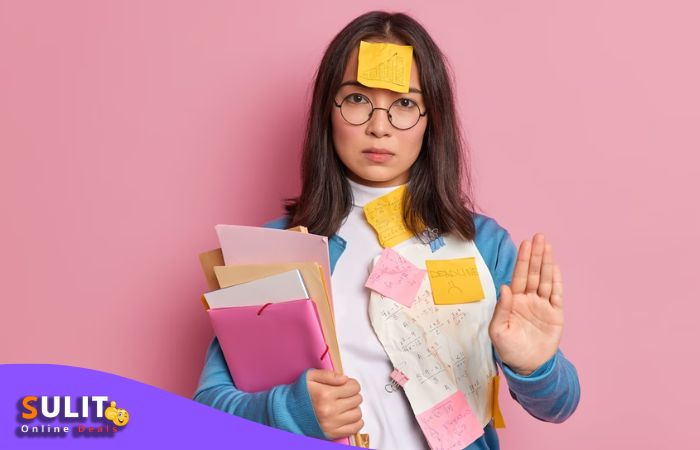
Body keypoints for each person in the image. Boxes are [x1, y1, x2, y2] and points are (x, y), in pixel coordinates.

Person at [193, 10, 580, 450]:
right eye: (358, 99)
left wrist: (535, 367)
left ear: (431, 120)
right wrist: (294, 409)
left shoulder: (483, 244)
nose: (380, 127)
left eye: (405, 104)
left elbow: (559, 404)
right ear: (328, 110)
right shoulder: (275, 248)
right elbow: (208, 408)